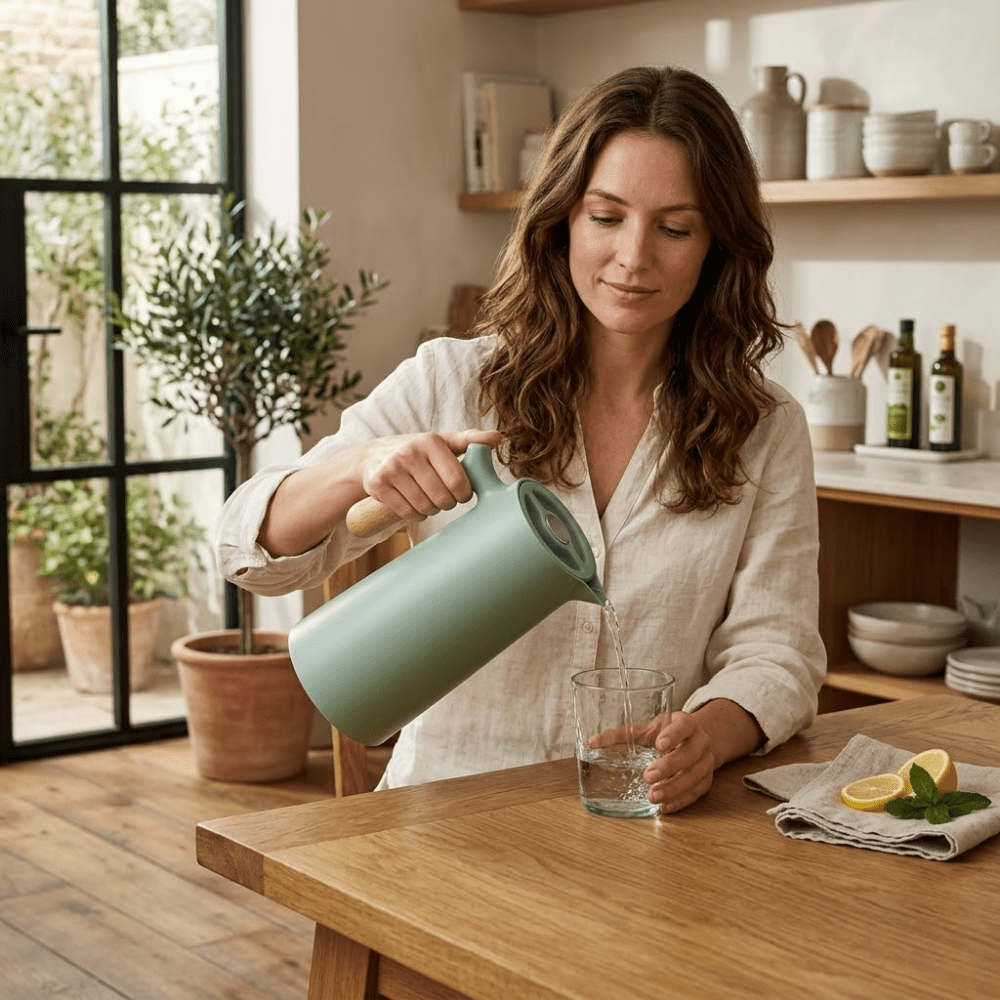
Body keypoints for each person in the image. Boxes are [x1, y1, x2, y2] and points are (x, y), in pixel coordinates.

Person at [217, 65, 826, 814]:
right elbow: (249, 553)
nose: (635, 257)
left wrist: (710, 733)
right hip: (446, 814)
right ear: (561, 219)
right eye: (606, 217)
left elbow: (780, 651)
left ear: (716, 246)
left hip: (644, 822)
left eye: (674, 227)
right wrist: (360, 468)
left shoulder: (764, 427)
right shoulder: (452, 381)